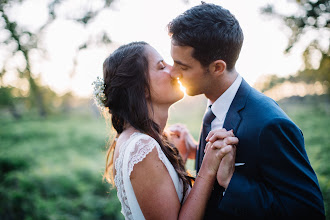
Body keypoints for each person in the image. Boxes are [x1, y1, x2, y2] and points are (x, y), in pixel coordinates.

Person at [167, 2, 325, 219]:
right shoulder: (215, 106)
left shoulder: (270, 124)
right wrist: (197, 149)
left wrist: (232, 181)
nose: (173, 72)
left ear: (217, 68)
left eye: (183, 66)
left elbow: (309, 212)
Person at [95, 41, 239, 219]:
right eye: (161, 66)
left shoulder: (137, 139)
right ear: (142, 89)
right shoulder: (142, 147)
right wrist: (207, 168)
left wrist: (179, 158)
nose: (174, 70)